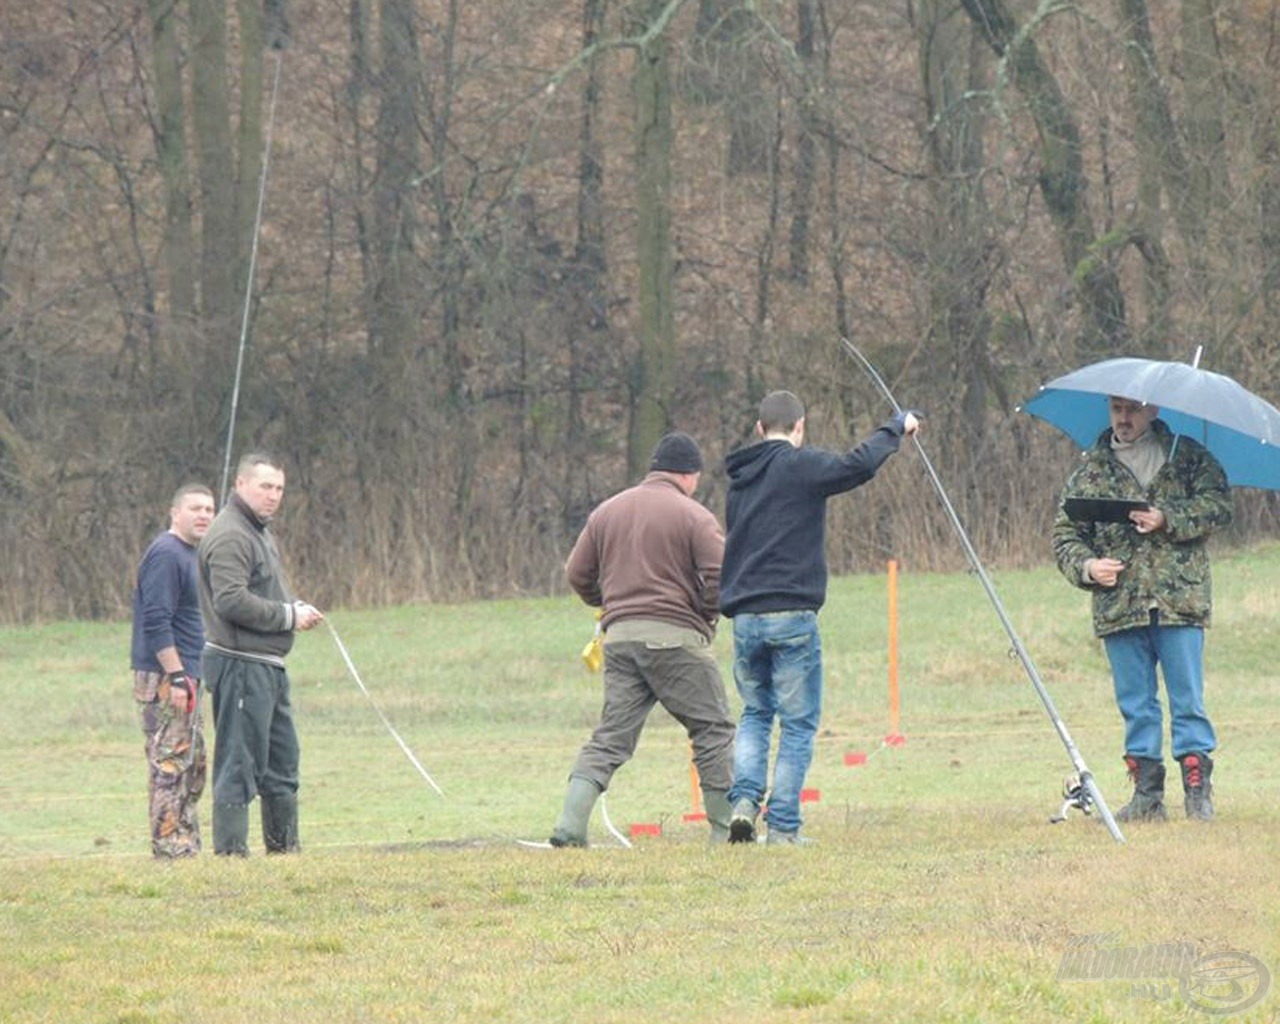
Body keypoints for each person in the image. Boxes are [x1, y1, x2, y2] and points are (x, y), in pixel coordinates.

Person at [721, 391, 919, 845]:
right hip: (791, 613)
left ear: (758, 428)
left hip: (746, 616)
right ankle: (784, 828)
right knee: (797, 723)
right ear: (800, 427)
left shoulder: (740, 480)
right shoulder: (799, 464)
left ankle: (744, 801)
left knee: (754, 712)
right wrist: (896, 427)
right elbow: (857, 466)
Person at [549, 432, 736, 847]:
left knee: (612, 736)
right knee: (712, 728)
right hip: (676, 640)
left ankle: (569, 826)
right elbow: (722, 576)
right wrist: (706, 614)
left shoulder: (606, 512)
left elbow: (577, 574)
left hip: (619, 641)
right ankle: (726, 832)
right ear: (690, 475)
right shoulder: (694, 515)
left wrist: (610, 602)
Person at [1052, 395, 1232, 822]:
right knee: (1136, 704)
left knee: (1187, 700)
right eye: (1117, 410)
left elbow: (1220, 507)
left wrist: (1167, 517)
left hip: (1179, 601)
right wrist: (1089, 566)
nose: (1124, 418)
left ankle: (1197, 791)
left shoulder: (1187, 457)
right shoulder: (1090, 471)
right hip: (1120, 606)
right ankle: (1147, 797)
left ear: (1153, 411)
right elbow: (1065, 536)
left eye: (1133, 409)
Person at [197, 452, 324, 856]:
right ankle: (232, 858)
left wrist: (291, 605)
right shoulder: (232, 533)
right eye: (265, 486)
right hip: (240, 665)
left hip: (268, 667)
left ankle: (284, 853)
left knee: (282, 764)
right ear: (240, 486)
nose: (273, 496)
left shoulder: (258, 531)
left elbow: (259, 589)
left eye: (279, 488)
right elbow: (231, 601)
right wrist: (288, 615)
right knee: (238, 765)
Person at [130, 483, 216, 858]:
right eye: (195, 508)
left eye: (210, 510)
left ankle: (186, 841)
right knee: (170, 762)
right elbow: (155, 620)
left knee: (192, 763)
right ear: (174, 512)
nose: (203, 515)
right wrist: (177, 675)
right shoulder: (166, 553)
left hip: (189, 673)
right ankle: (168, 846)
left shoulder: (191, 555)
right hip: (167, 676)